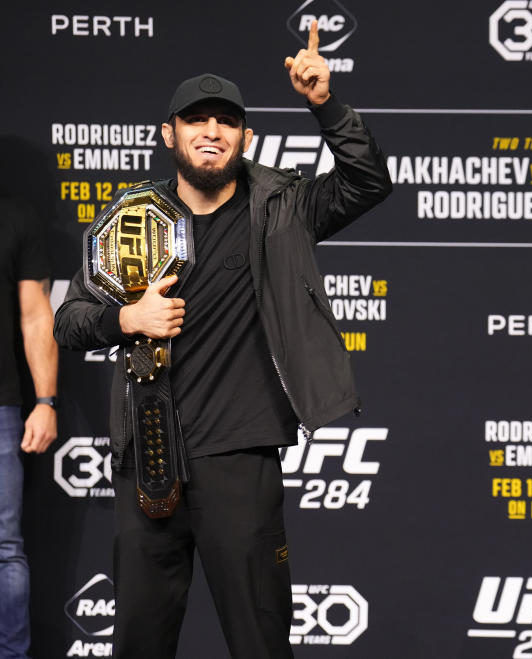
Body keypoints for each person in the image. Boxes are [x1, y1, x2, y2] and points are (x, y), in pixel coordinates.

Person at [53, 21, 391, 659]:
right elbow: (69, 318)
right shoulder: (131, 220)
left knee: (261, 642)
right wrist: (126, 320)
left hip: (241, 457)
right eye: (197, 120)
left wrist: (326, 104)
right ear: (170, 135)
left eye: (226, 122)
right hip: (147, 458)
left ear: (245, 137)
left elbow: (368, 184)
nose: (212, 132)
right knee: (138, 646)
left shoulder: (283, 207)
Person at [0, 197, 59, 659]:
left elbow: (36, 313)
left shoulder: (15, 216)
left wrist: (45, 400)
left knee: (4, 547)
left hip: (0, 408)